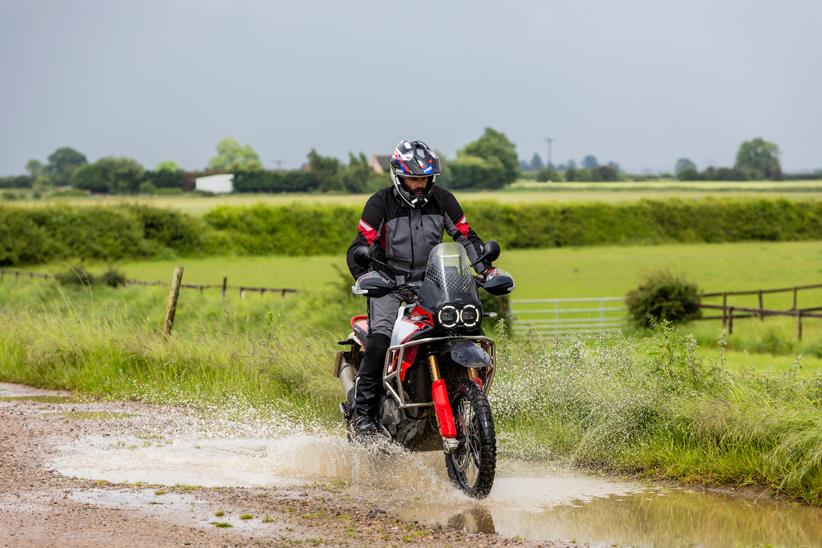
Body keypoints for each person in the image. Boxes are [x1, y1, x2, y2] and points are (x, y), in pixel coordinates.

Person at [345, 140, 488, 436]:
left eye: (424, 178)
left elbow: (465, 237)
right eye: (413, 179)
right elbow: (360, 245)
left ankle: (468, 400)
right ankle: (364, 417)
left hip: (433, 285)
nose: (419, 185)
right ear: (398, 178)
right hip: (388, 286)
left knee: (461, 331)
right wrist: (366, 275)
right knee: (380, 340)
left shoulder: (444, 200)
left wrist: (487, 269)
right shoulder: (379, 203)